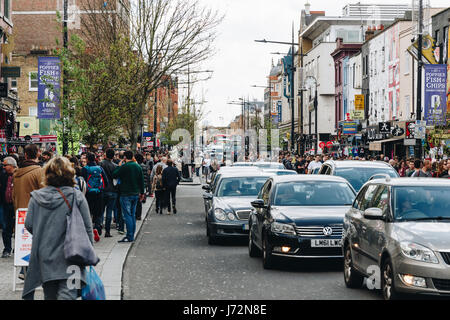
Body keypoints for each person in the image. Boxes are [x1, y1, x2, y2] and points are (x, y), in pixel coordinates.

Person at [22, 156, 94, 300]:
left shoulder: (36, 197)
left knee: (50, 296)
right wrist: (88, 252)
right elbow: (87, 228)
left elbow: (29, 225)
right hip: (72, 258)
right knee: (68, 295)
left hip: (45, 257)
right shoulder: (76, 196)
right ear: (70, 173)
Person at [113, 151, 145, 243]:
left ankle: (129, 236)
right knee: (132, 214)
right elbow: (141, 181)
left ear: (125, 157)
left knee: (127, 215)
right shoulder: (137, 166)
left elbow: (114, 174)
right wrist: (142, 193)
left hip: (125, 193)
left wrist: (119, 165)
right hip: (135, 193)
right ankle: (131, 235)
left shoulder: (124, 166)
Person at [81, 152, 108, 241]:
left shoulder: (85, 169)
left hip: (88, 194)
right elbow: (106, 181)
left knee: (88, 213)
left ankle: (89, 230)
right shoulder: (99, 168)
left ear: (87, 159)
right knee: (98, 213)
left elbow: (82, 182)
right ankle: (97, 227)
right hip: (99, 193)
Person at [0, 157, 17, 258]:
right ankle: (7, 248)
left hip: (17, 205)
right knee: (6, 227)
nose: (4, 167)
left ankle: (18, 248)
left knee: (19, 228)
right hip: (5, 205)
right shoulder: (2, 175)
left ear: (12, 165)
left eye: (5, 165)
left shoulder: (19, 175)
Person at [100, 149, 119, 238]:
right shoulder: (115, 166)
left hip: (103, 189)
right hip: (112, 190)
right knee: (109, 211)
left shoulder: (101, 164)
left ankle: (99, 227)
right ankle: (107, 231)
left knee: (101, 210)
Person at [134, 153, 147, 221]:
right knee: (140, 201)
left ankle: (136, 214)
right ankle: (139, 215)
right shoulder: (144, 166)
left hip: (137, 186)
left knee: (136, 201)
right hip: (143, 185)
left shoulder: (136, 166)